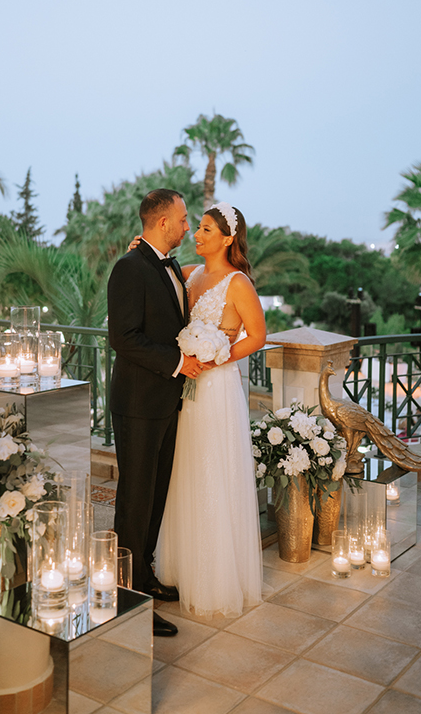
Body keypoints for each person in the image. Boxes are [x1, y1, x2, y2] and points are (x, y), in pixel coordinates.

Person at [155, 201, 266, 618]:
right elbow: (158, 278)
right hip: (190, 385)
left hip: (217, 387)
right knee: (188, 469)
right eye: (195, 227)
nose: (195, 235)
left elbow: (257, 335)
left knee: (215, 471)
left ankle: (217, 578)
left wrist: (217, 356)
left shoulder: (238, 283)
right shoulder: (191, 275)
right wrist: (138, 250)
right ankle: (184, 567)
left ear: (226, 238)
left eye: (203, 229)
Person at [107, 189, 208, 637]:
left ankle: (142, 577)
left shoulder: (166, 267)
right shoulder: (129, 268)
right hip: (138, 403)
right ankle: (125, 600)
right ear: (163, 222)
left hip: (165, 401)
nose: (188, 226)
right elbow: (124, 337)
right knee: (134, 500)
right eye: (184, 219)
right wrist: (177, 363)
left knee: (155, 496)